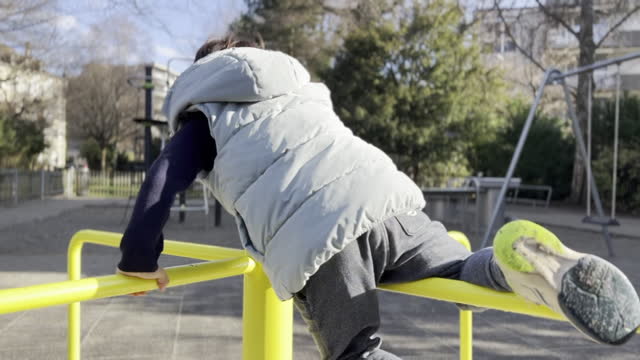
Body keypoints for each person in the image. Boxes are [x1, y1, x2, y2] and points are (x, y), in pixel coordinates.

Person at [116, 35, 640, 359]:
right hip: (387, 199)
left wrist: (139, 258)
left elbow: (163, 179)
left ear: (199, 77)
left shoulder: (207, 114)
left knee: (355, 351)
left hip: (321, 237)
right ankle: (513, 268)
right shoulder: (296, 88)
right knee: (459, 274)